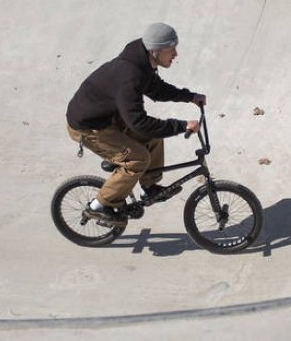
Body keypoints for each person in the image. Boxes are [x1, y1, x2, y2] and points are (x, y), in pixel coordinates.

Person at [66, 23, 206, 226]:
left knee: (154, 137)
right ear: (156, 51)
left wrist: (190, 96)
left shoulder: (142, 63)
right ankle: (99, 205)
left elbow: (157, 90)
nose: (175, 53)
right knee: (137, 159)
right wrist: (181, 125)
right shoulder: (129, 76)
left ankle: (150, 188)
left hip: (108, 118)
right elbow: (139, 123)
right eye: (171, 48)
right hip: (88, 127)